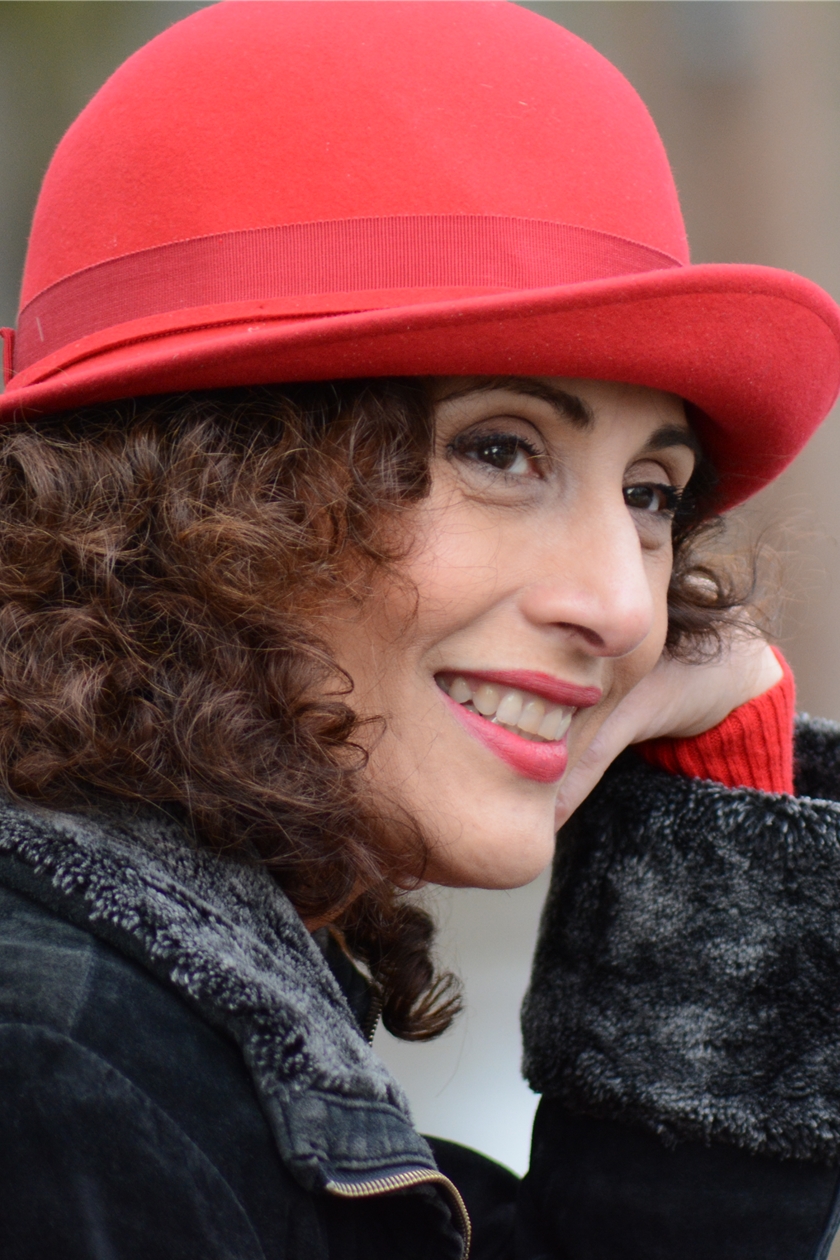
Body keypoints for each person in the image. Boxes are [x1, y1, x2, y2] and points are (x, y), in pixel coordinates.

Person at [0, 3, 839, 1257]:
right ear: (201, 492)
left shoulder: (164, 1039)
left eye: (650, 493)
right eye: (500, 451)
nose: (624, 606)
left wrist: (724, 789)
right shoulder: (61, 1076)